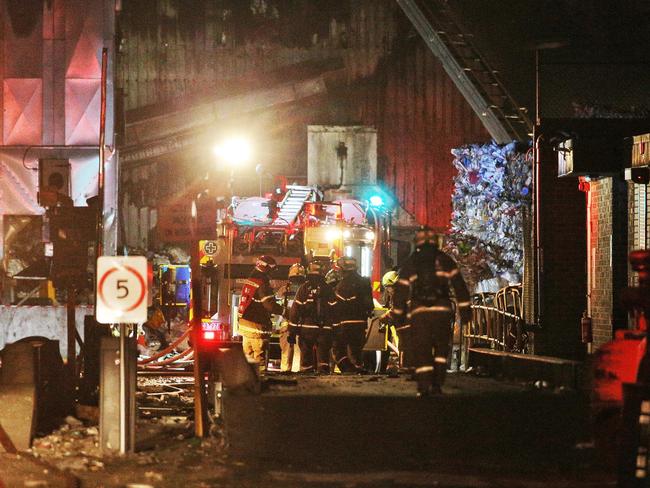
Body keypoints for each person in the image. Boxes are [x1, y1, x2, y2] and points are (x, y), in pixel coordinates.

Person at [391, 226, 471, 397]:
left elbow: (401, 289)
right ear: (436, 242)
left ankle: (424, 385)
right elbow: (459, 286)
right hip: (442, 309)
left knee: (422, 348)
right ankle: (437, 384)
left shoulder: (412, 262)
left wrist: (398, 313)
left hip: (420, 311)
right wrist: (465, 311)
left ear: (417, 242)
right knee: (441, 349)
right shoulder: (446, 260)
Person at [238, 255, 284, 371]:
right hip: (257, 326)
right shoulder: (262, 282)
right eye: (272, 269)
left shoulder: (251, 279)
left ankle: (246, 383)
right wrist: (284, 311)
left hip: (245, 325)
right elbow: (269, 304)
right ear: (266, 268)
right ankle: (259, 383)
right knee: (259, 359)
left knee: (247, 358)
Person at [289, 260, 335, 373]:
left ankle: (306, 380)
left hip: (306, 330)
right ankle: (325, 381)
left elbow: (295, 311)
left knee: (306, 360)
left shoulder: (303, 289)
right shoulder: (328, 289)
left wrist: (292, 332)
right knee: (323, 359)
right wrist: (335, 329)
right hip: (325, 330)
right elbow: (335, 310)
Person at [332, 256, 374, 373]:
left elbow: (338, 306)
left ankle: (349, 371)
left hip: (345, 324)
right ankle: (358, 370)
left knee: (338, 350)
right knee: (356, 352)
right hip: (361, 324)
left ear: (343, 269)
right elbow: (370, 306)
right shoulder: (365, 282)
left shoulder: (341, 286)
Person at [278, 263, 306, 372]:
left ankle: (285, 372)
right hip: (301, 326)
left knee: (286, 352)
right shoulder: (305, 289)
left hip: (286, 326)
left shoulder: (283, 290)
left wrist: (278, 325)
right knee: (299, 351)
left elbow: (278, 310)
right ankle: (298, 374)